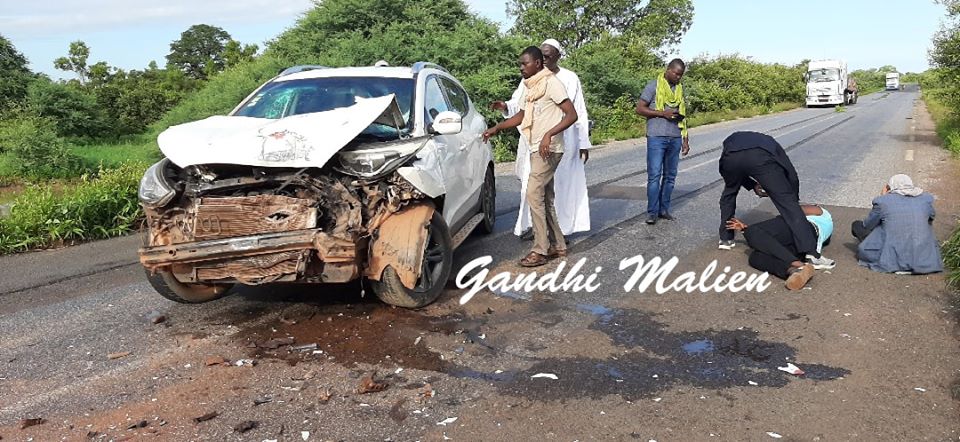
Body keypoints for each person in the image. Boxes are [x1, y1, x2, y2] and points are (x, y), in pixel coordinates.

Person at [483, 46, 578, 267]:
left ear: (537, 63)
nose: (521, 68)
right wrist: (496, 128)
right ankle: (558, 245)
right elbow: (522, 116)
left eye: (524, 64)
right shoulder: (530, 86)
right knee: (544, 198)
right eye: (520, 64)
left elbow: (571, 114)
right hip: (537, 147)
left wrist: (549, 134)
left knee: (533, 194)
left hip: (549, 148)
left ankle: (540, 250)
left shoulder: (551, 83)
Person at [491, 38, 591, 241]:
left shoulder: (568, 79)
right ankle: (536, 228)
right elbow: (519, 106)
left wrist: (583, 142)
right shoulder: (529, 80)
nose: (544, 59)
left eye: (547, 55)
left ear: (558, 56)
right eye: (541, 55)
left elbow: (577, 112)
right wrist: (504, 108)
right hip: (534, 142)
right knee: (533, 189)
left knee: (557, 189)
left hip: (559, 142)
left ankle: (557, 235)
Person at [717, 131, 835, 269]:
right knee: (787, 203)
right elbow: (790, 172)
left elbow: (732, 168)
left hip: (730, 157)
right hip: (760, 158)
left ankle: (726, 239)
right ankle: (811, 255)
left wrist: (752, 185)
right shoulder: (770, 143)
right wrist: (793, 199)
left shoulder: (733, 141)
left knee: (729, 194)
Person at [725, 204, 833, 290]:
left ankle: (797, 263)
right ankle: (794, 271)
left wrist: (746, 230)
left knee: (754, 230)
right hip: (805, 245)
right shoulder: (826, 228)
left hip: (800, 228)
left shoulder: (822, 211)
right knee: (756, 256)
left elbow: (791, 209)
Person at [635, 58, 690, 225]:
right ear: (668, 70)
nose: (678, 77)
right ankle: (652, 212)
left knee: (670, 176)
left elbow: (684, 117)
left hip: (675, 137)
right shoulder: (653, 86)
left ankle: (664, 209)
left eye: (681, 75)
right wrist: (662, 113)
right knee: (654, 176)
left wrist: (685, 140)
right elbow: (639, 109)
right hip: (656, 137)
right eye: (676, 74)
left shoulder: (679, 89)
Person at [851, 174, 943, 274]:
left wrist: (883, 196)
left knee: (856, 225)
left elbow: (867, 225)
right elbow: (931, 218)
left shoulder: (882, 201)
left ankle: (890, 255)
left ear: (890, 187)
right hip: (922, 258)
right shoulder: (926, 199)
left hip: (890, 258)